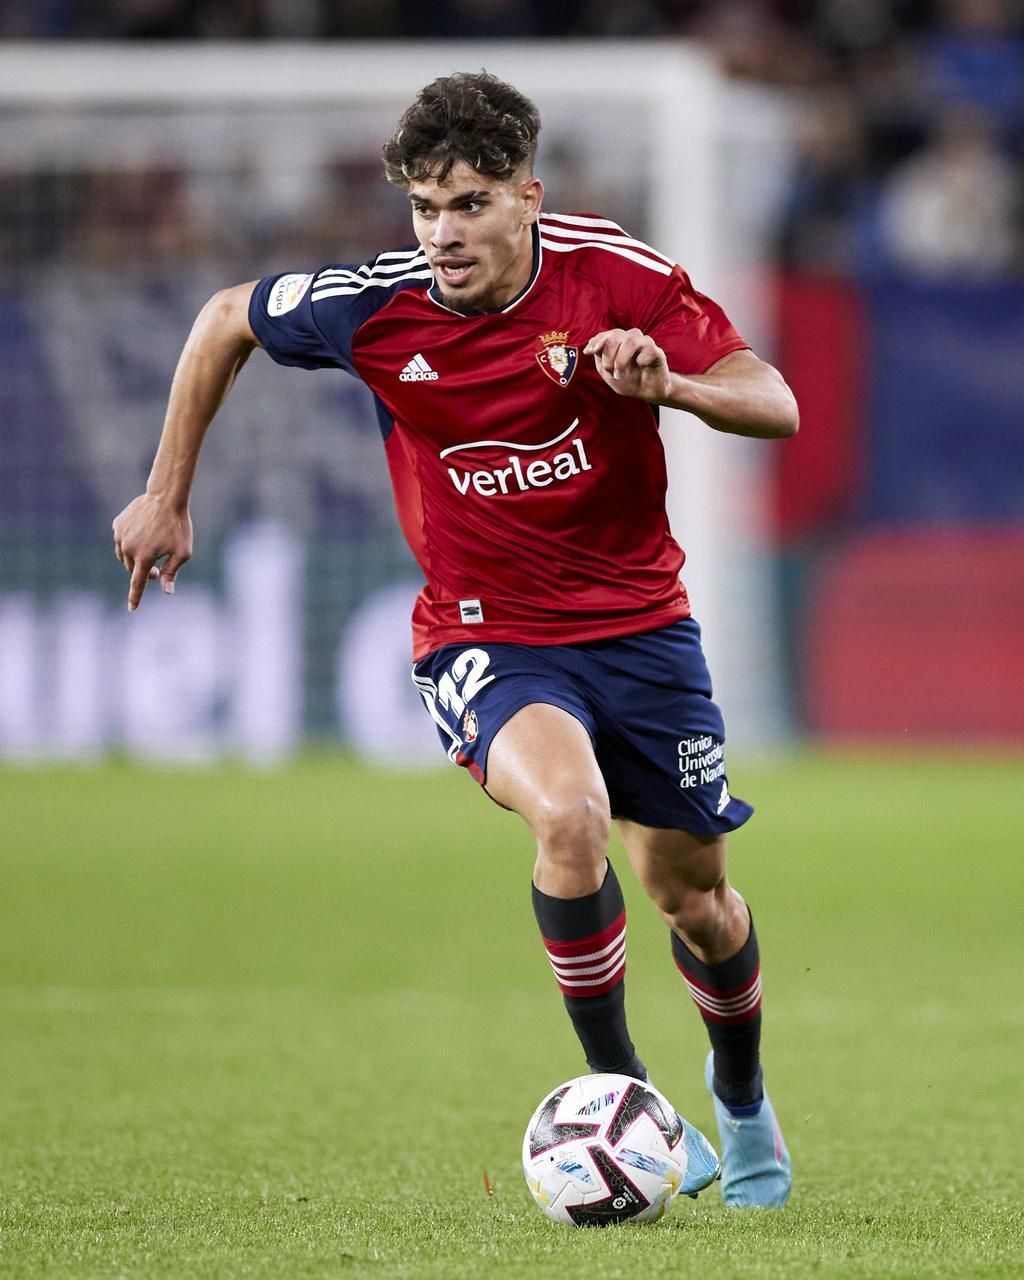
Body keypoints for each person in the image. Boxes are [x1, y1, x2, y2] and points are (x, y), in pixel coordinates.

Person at [112, 71, 797, 1209]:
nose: (443, 232)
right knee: (569, 816)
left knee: (695, 897)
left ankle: (738, 1091)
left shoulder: (610, 275)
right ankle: (630, 1101)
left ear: (528, 194)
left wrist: (667, 381)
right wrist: (166, 492)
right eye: (425, 207)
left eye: (470, 203)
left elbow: (768, 397)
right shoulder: (379, 304)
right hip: (484, 633)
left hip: (641, 629)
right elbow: (222, 316)